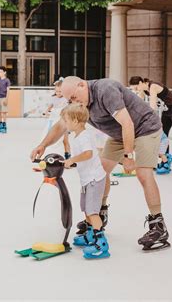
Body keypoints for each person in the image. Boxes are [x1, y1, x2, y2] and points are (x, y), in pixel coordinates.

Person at [30, 76, 171, 252]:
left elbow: (127, 123)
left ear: (82, 85)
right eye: (69, 100)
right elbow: (61, 125)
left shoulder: (106, 90)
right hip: (120, 134)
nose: (73, 102)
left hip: (144, 128)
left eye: (74, 97)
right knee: (100, 171)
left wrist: (128, 156)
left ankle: (158, 225)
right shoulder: (79, 103)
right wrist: (42, 145)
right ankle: (99, 214)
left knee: (143, 174)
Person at [60, 103, 110, 259]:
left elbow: (88, 154)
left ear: (75, 121)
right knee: (86, 209)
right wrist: (71, 163)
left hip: (94, 179)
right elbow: (83, 158)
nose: (65, 123)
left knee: (92, 211)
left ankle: (101, 244)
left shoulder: (85, 136)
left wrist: (73, 159)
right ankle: (90, 235)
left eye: (66, 120)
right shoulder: (77, 137)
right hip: (87, 180)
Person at [129, 77, 172, 175]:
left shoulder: (153, 86)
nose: (136, 90)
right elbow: (139, 103)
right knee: (162, 135)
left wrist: (147, 118)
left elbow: (153, 107)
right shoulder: (144, 90)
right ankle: (166, 161)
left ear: (140, 83)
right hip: (166, 112)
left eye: (136, 88)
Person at [43, 77, 71, 159]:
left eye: (60, 91)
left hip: (63, 122)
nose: (58, 93)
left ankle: (68, 155)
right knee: (53, 137)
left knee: (65, 140)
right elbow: (50, 106)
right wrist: (46, 111)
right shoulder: (54, 98)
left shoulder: (65, 99)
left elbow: (68, 109)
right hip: (54, 121)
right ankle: (50, 154)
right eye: (57, 91)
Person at [0, 66, 11, 134]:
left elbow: (8, 90)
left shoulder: (7, 80)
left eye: (1, 72)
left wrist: (6, 99)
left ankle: (4, 126)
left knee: (4, 112)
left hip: (4, 97)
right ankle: (0, 125)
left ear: (4, 72)